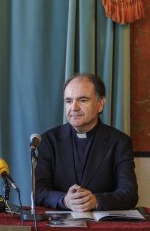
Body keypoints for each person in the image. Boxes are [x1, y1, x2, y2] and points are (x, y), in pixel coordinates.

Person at [35, 73, 138, 211]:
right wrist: (64, 200)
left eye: (82, 100)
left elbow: (129, 193)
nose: (74, 108)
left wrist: (96, 201)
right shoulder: (48, 141)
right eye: (69, 101)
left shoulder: (120, 142)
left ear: (100, 104)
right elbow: (39, 191)